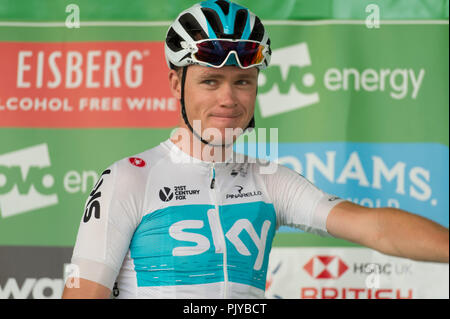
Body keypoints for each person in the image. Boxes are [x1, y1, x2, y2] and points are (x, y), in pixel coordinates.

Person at [62, 0, 448, 299]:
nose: (229, 99)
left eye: (243, 82)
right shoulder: (129, 178)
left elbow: (376, 228)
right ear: (175, 84)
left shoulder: (269, 180)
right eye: (210, 82)